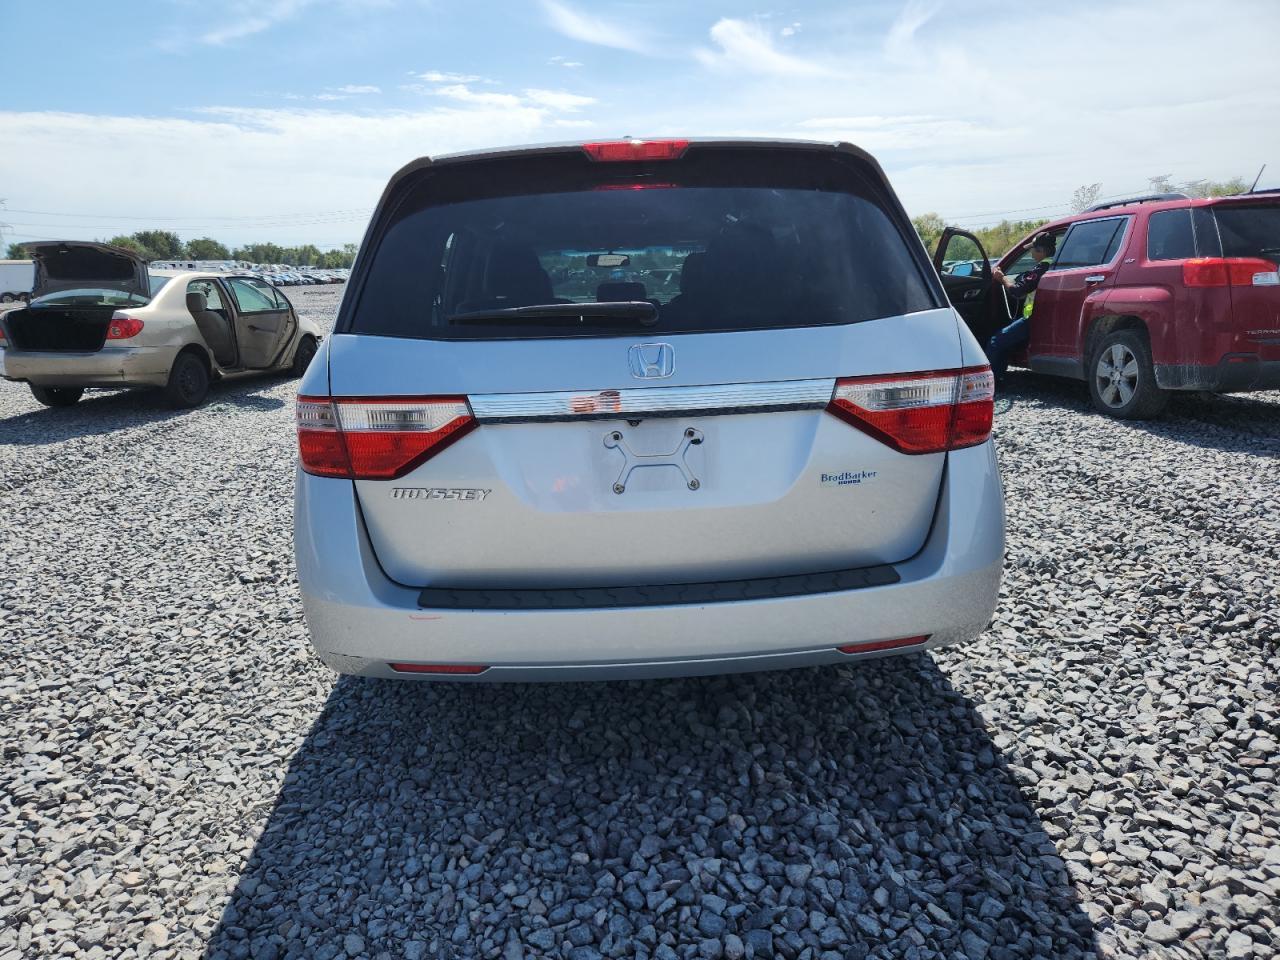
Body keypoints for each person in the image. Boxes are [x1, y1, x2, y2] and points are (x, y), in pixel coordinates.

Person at [987, 231, 1055, 384]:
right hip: (1040, 317)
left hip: (1032, 320)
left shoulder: (1042, 268)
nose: (1031, 251)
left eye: (1033, 248)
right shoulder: (1052, 264)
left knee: (995, 341)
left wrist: (1001, 278)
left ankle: (991, 384)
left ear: (1041, 251)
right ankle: (1000, 377)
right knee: (1005, 341)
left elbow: (1017, 290)